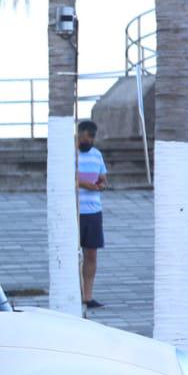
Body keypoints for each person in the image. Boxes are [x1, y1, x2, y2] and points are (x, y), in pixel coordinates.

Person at [76, 119, 108, 310]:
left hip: (94, 211)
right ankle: (76, 292)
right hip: (76, 211)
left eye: (92, 137)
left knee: (91, 255)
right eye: (87, 136)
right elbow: (70, 176)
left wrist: (102, 183)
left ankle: (88, 295)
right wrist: (87, 184)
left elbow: (103, 176)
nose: (90, 140)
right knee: (75, 254)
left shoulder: (97, 155)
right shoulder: (72, 154)